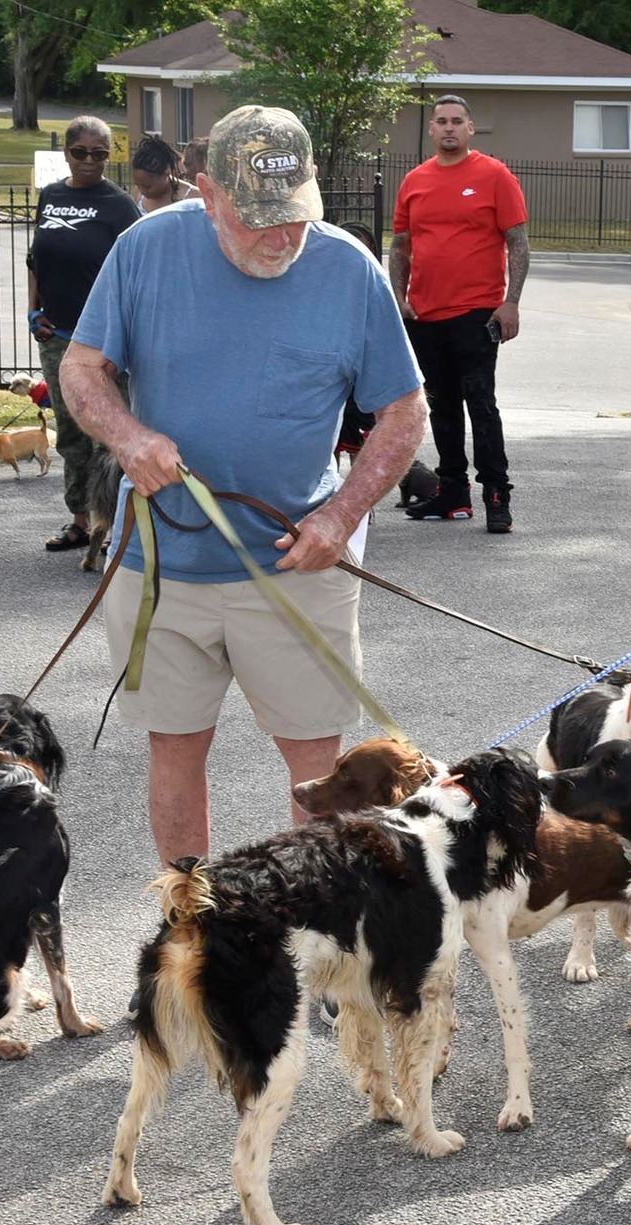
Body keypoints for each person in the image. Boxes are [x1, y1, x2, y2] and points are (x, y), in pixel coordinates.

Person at [59, 106, 426, 864]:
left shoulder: (349, 268)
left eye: (295, 214)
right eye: (260, 219)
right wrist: (130, 437)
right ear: (207, 192)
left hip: (300, 561)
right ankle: (191, 920)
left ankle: (319, 928)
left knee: (319, 766)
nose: (283, 237)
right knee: (175, 748)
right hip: (162, 561)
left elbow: (404, 411)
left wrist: (341, 515)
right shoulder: (145, 249)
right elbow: (81, 369)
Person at [390, 95, 528, 533]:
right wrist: (399, 297)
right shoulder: (415, 180)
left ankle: (497, 495)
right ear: (432, 129)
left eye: (457, 121)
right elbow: (400, 246)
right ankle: (452, 494)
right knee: (441, 407)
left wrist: (511, 301)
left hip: (477, 313)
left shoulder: (494, 175)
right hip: (425, 316)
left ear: (470, 128)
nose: (449, 128)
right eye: (441, 121)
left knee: (481, 405)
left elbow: (518, 242)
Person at [27, 116, 139, 557]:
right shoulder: (51, 196)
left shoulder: (119, 205)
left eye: (99, 154)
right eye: (80, 153)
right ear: (67, 154)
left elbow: (137, 269)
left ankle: (113, 525)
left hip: (105, 342)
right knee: (71, 433)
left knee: (108, 436)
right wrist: (34, 311)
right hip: (58, 336)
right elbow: (36, 260)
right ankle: (80, 521)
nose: (89, 161)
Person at [130, 135, 197, 214]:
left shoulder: (193, 197)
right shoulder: (138, 195)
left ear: (165, 174)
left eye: (147, 186)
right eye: (138, 185)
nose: (142, 191)